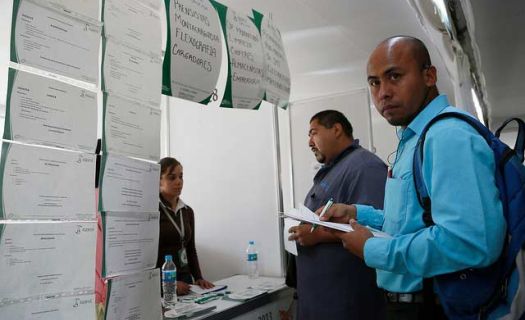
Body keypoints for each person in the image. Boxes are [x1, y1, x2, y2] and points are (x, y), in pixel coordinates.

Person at [320, 36, 506, 319]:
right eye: (374, 83)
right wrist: (357, 214)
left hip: (436, 306)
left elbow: (469, 242)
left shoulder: (447, 135)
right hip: (408, 304)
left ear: (429, 76)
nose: (383, 92)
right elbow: (411, 221)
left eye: (394, 76)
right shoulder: (413, 139)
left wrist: (372, 249)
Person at [287, 110, 387, 319]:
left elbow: (378, 230)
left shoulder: (364, 166)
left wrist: (316, 235)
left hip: (345, 300)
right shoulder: (335, 169)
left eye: (313, 133)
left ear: (336, 129)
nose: (309, 142)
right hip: (320, 297)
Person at [157, 157, 214, 296]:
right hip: (163, 281)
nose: (179, 182)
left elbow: (190, 248)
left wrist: (199, 277)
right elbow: (146, 258)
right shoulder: (152, 211)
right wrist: (167, 283)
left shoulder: (187, 211)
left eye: (181, 177)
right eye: (172, 177)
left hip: (185, 279)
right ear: (158, 180)